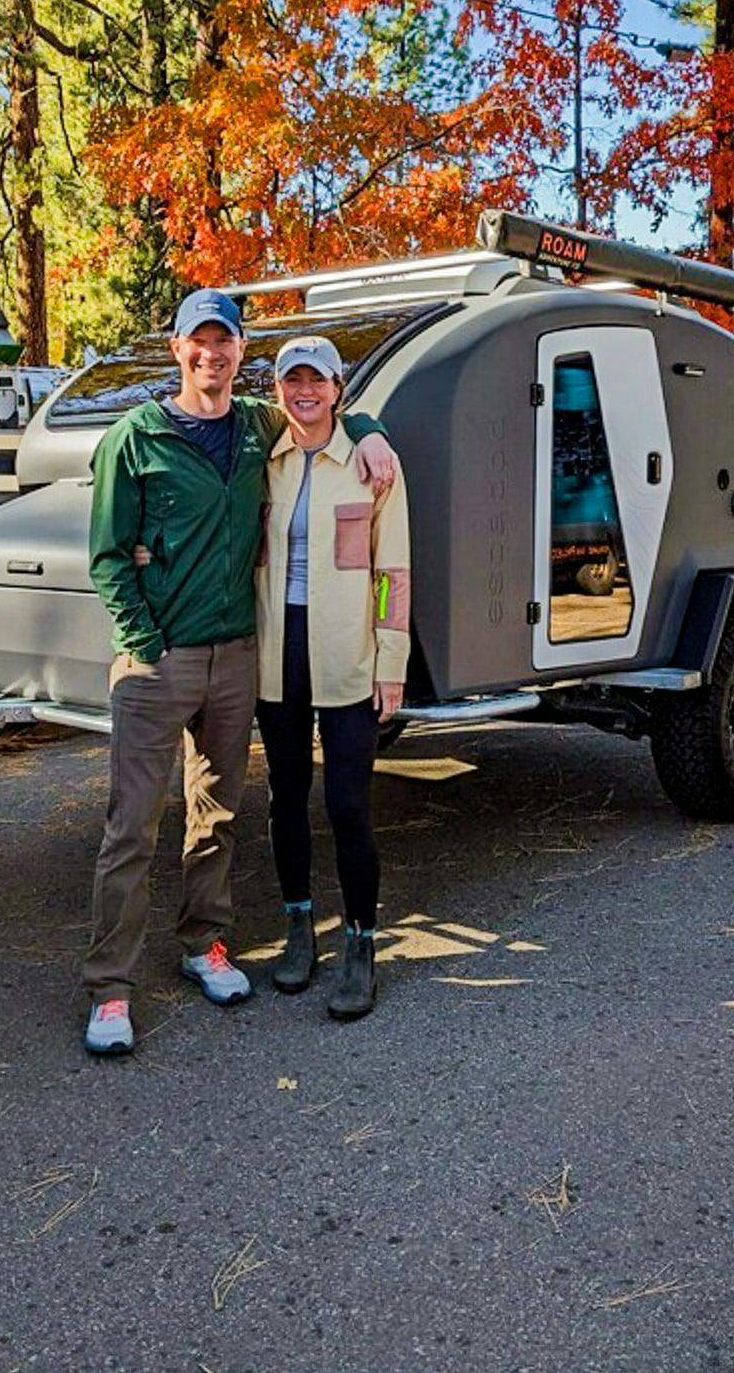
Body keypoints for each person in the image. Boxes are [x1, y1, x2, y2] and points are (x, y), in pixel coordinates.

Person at [79, 288, 396, 1057]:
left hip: (238, 657)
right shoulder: (137, 436)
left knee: (216, 812)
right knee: (132, 825)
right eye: (199, 342)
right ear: (177, 348)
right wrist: (141, 638)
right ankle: (111, 989)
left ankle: (205, 946)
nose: (211, 355)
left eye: (225, 343)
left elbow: (323, 409)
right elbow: (107, 553)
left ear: (240, 352)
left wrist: (370, 426)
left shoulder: (259, 427)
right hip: (161, 661)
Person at [255, 337, 410, 1021]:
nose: (304, 392)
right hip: (277, 653)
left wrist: (391, 660)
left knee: (348, 806)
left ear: (339, 388)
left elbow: (390, 578)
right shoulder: (267, 460)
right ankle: (297, 929)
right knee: (285, 795)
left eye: (316, 380)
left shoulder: (373, 467)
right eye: (293, 382)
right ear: (279, 389)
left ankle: (359, 942)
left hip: (348, 653)